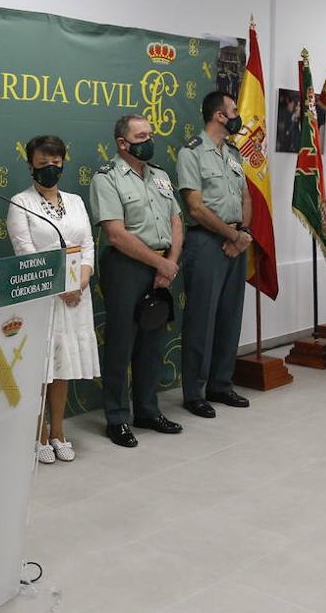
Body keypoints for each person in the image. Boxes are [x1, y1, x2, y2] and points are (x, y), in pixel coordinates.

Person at [89, 115, 184, 447]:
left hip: (161, 266)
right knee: (121, 343)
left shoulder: (159, 175)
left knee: (154, 343)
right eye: (141, 135)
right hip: (126, 267)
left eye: (151, 134)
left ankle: (147, 409)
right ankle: (117, 417)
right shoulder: (107, 177)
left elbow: (176, 220)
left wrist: (169, 264)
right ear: (122, 143)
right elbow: (115, 234)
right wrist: (160, 262)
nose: (149, 140)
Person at [7, 135, 99, 464]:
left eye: (56, 160)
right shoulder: (20, 202)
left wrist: (81, 281)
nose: (50, 166)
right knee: (40, 368)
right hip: (42, 296)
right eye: (43, 160)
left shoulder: (75, 201)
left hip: (77, 296)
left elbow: (88, 244)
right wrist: (60, 286)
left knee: (62, 367)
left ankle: (59, 431)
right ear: (31, 163)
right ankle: (39, 433)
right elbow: (25, 254)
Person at [177, 91, 252, 418]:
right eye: (234, 110)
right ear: (220, 116)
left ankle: (221, 384)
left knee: (229, 316)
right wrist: (231, 235)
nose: (238, 116)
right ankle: (194, 392)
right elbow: (195, 207)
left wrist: (242, 234)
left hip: (236, 241)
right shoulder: (191, 153)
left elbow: (245, 197)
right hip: (206, 242)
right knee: (201, 320)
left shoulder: (233, 152)